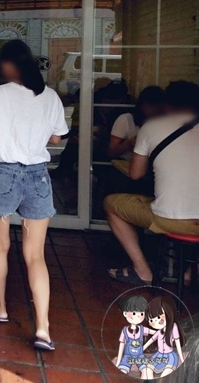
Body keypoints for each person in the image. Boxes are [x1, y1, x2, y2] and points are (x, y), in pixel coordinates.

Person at [0, 40, 69, 352]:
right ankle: (43, 328)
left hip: (4, 174)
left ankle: (1, 307)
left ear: (8, 64)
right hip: (37, 176)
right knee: (35, 256)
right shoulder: (50, 96)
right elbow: (56, 137)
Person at [106, 80, 199, 286]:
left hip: (169, 219)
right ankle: (191, 272)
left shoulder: (152, 127)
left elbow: (136, 174)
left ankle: (143, 271)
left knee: (111, 204)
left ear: (167, 104)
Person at [108, 86, 166, 161]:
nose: (154, 111)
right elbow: (111, 152)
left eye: (157, 107)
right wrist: (128, 143)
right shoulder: (126, 119)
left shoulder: (163, 122)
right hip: (125, 162)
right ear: (141, 105)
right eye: (150, 107)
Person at [141, 295, 185, 378]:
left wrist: (181, 358)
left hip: (170, 357)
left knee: (165, 374)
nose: (155, 322)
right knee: (147, 369)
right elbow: (151, 340)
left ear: (169, 313)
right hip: (158, 356)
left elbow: (177, 343)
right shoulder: (159, 332)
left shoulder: (173, 327)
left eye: (158, 317)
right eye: (151, 320)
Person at [113, 295, 151, 376]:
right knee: (122, 371)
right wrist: (119, 361)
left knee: (146, 371)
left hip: (140, 356)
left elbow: (156, 333)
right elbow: (121, 346)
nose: (138, 316)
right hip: (127, 357)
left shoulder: (142, 329)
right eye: (134, 313)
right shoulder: (125, 331)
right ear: (125, 313)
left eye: (141, 314)